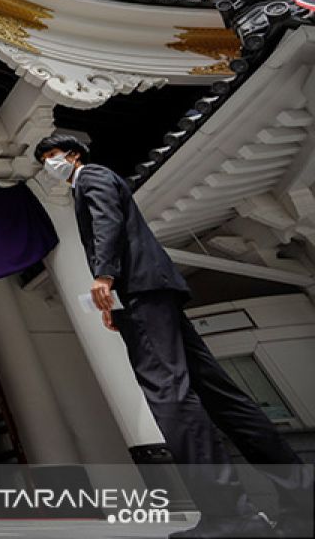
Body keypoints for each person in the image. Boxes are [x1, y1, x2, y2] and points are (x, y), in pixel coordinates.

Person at [35, 134, 311, 539]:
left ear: (73, 155)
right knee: (221, 396)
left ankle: (230, 516)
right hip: (155, 289)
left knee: (169, 394)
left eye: (51, 156)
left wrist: (104, 276)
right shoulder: (97, 178)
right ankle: (302, 503)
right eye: (43, 159)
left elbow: (106, 221)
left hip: (139, 289)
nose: (47, 164)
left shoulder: (91, 176)